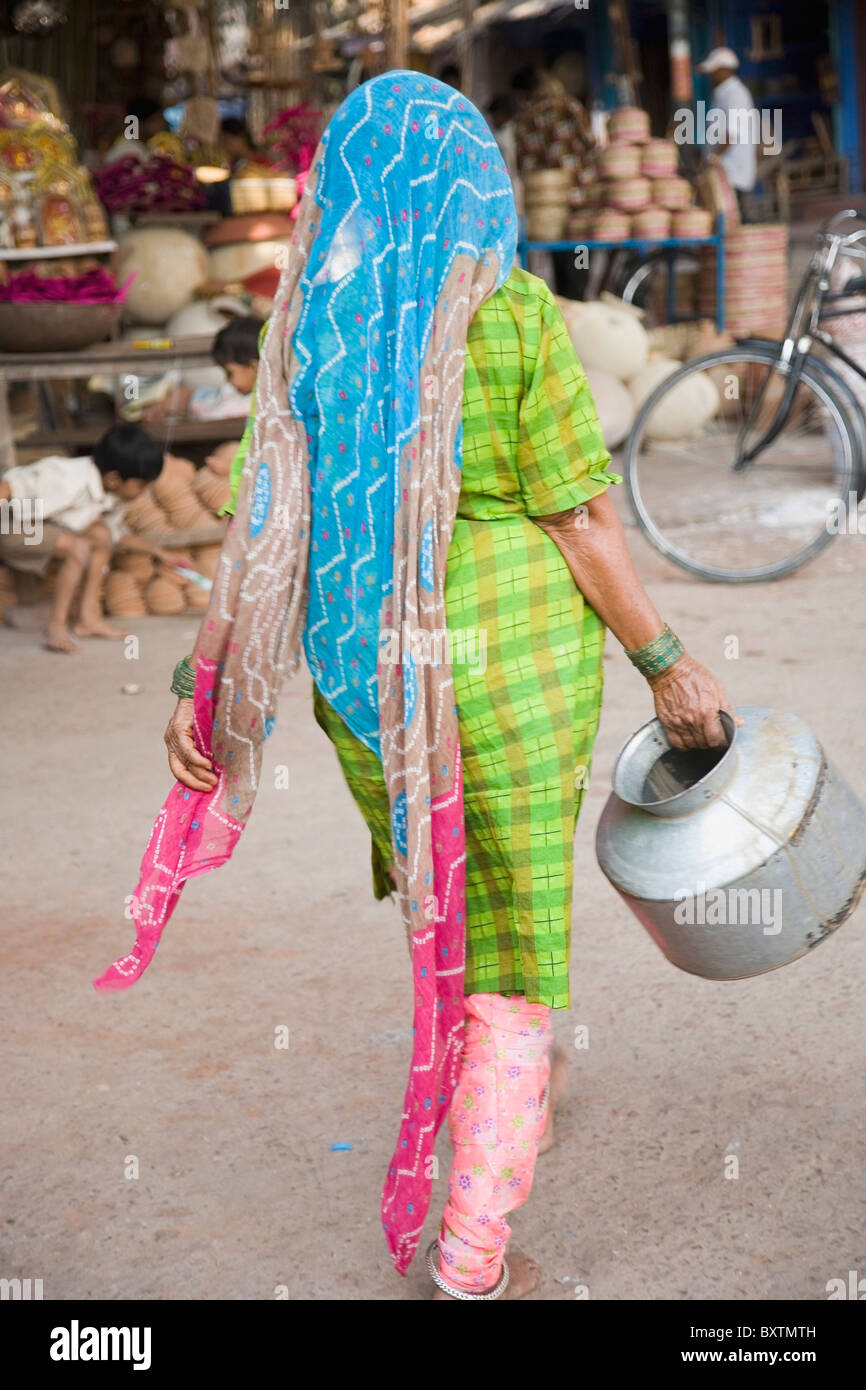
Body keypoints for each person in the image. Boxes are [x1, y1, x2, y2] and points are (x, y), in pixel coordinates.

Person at [98, 71, 739, 1299]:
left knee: (459, 907)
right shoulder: (507, 312)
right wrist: (664, 661)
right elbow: (585, 519)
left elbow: (263, 521)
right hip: (510, 676)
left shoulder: (312, 319)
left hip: (374, 686)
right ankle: (473, 1259)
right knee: (510, 962)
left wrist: (204, 679)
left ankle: (518, 1101)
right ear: (474, 178)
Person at [0, 424, 187, 653]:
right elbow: (7, 488)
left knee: (102, 535)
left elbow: (118, 537)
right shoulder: (65, 478)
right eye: (141, 485)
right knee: (77, 548)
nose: (145, 491)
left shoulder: (111, 494)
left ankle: (88, 618)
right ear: (114, 479)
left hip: (44, 527)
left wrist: (162, 555)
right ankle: (55, 627)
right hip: (10, 526)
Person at [697, 46, 759, 221]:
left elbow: (730, 135)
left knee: (733, 219)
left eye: (714, 71)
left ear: (725, 70)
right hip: (726, 168)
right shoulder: (723, 94)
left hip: (733, 170)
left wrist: (712, 159)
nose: (711, 75)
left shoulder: (736, 95)